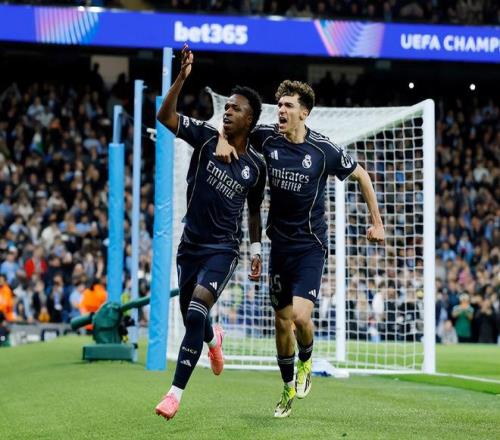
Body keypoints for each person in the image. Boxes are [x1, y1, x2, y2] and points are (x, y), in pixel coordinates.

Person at [216, 80, 384, 417]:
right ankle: (286, 387)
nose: (281, 110)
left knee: (300, 317)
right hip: (279, 246)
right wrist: (222, 138)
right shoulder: (267, 137)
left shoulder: (323, 150)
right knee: (281, 323)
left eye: (288, 105)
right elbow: (231, 130)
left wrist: (377, 222)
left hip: (311, 246)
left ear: (304, 113)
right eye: (279, 105)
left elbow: (363, 176)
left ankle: (306, 361)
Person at [154, 44, 266, 421]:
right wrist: (181, 78)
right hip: (190, 245)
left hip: (223, 250)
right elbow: (165, 116)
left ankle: (174, 395)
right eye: (227, 107)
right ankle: (212, 339)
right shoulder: (205, 136)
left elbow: (254, 210)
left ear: (250, 120)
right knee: (193, 317)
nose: (228, 111)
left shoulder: (256, 168)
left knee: (197, 309)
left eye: (236, 109)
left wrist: (255, 250)